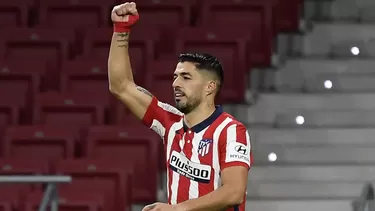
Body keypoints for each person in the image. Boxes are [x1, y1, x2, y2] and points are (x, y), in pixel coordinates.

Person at [108, 2, 252, 211]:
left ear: (209, 87)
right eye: (175, 77)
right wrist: (121, 31)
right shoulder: (169, 122)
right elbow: (120, 86)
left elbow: (234, 192)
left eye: (186, 77)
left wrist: (176, 209)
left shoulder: (231, 131)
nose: (175, 83)